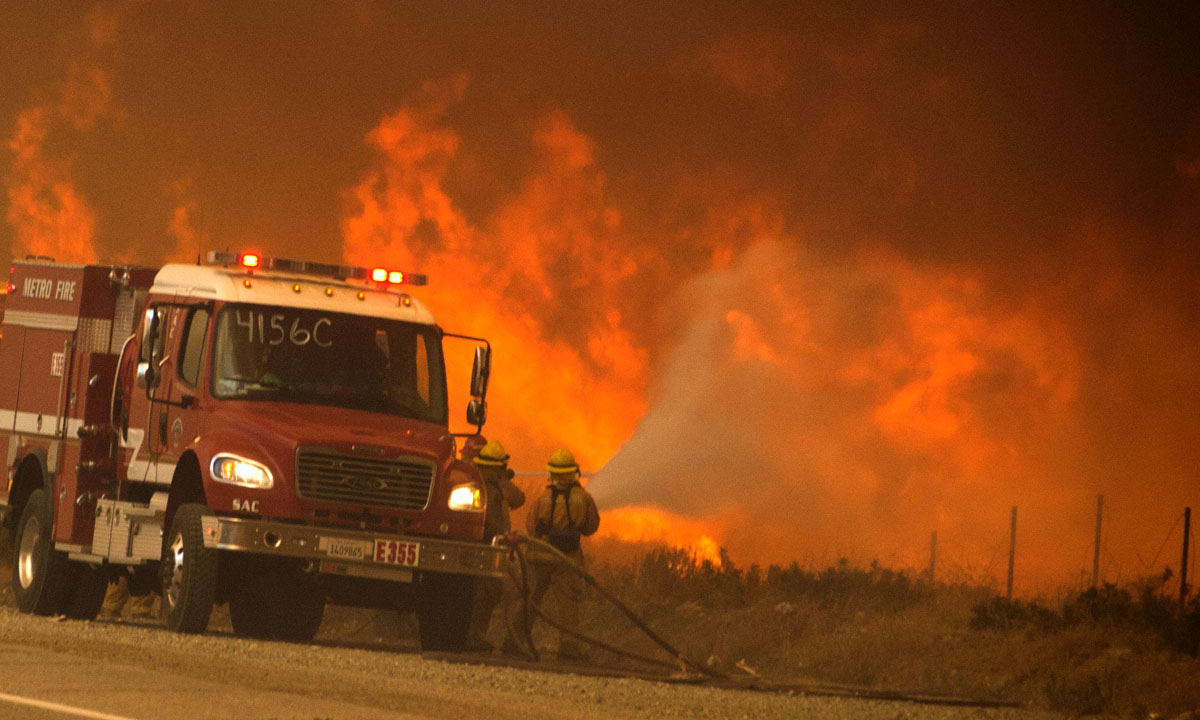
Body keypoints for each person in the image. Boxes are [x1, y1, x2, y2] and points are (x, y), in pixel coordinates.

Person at [519, 447, 600, 660]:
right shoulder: (583, 498)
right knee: (568, 604)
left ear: (553, 473)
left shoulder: (542, 498)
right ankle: (568, 650)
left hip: (540, 556)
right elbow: (591, 527)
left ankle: (514, 640)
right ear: (574, 472)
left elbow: (530, 526)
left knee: (533, 598)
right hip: (567, 558)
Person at [464, 439, 526, 652]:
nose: (503, 470)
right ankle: (474, 638)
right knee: (486, 593)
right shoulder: (486, 488)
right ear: (493, 467)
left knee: (492, 592)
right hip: (487, 550)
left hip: (494, 549)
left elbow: (519, 499)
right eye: (501, 467)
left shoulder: (493, 486)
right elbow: (491, 523)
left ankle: (477, 637)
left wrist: (504, 482)